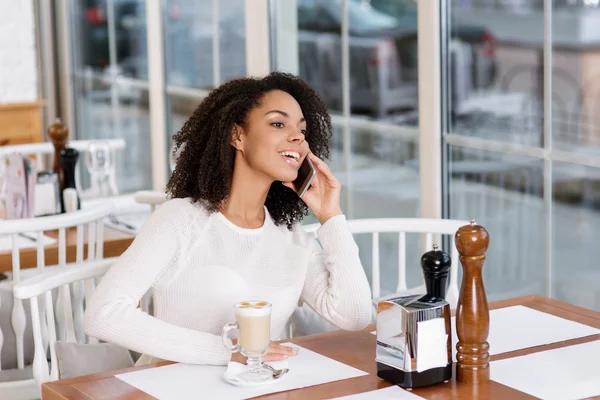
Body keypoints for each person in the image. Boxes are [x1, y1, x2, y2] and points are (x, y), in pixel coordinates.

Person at [84, 72, 372, 366]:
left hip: (256, 389)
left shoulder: (294, 239)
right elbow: (102, 314)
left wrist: (330, 216)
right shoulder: (181, 220)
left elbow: (355, 316)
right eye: (277, 123)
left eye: (302, 129)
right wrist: (228, 352)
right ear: (238, 135)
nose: (298, 137)